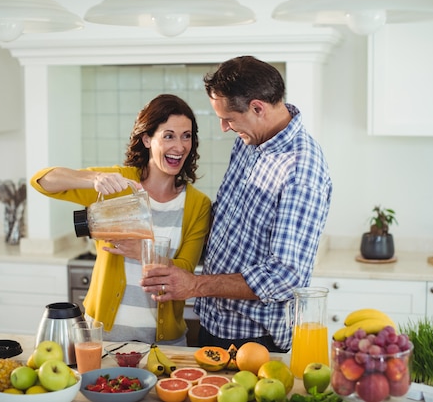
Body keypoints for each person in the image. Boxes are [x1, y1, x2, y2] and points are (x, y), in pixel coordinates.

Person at [141, 56, 332, 352]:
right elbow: (226, 220)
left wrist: (195, 285)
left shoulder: (301, 169)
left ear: (257, 107)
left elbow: (286, 275)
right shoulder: (250, 143)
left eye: (228, 119)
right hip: (213, 324)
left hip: (255, 340)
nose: (224, 128)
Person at [30, 94, 211, 346]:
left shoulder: (197, 204)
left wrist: (143, 251)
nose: (180, 146)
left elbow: (185, 271)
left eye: (186, 136)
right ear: (147, 139)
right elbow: (41, 181)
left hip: (165, 344)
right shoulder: (118, 183)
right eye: (168, 135)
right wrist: (91, 180)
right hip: (103, 339)